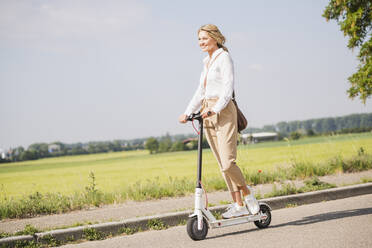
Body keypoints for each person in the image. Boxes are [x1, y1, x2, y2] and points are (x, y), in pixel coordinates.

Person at [178, 24, 260, 219]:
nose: (201, 42)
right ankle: (238, 204)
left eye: (204, 38)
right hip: (206, 112)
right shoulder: (206, 61)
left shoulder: (224, 58)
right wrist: (188, 111)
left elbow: (227, 88)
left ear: (215, 38)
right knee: (220, 163)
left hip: (222, 111)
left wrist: (214, 109)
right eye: (199, 39)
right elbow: (201, 91)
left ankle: (248, 194)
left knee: (227, 163)